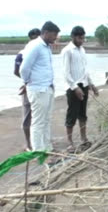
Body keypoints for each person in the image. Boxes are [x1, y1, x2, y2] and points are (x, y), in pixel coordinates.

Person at [20, 21, 60, 152]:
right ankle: (38, 151)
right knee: (38, 122)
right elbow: (24, 68)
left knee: (47, 120)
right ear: (46, 33)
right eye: (54, 35)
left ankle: (47, 148)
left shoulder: (46, 47)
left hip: (47, 88)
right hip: (38, 89)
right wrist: (27, 82)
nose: (56, 38)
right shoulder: (35, 46)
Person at [61, 26, 98, 153]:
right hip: (73, 87)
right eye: (79, 38)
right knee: (72, 114)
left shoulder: (82, 50)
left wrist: (92, 85)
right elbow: (66, 73)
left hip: (84, 85)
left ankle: (83, 138)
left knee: (83, 114)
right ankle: (70, 142)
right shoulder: (67, 51)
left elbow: (85, 70)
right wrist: (75, 87)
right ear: (73, 37)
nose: (82, 40)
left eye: (83, 38)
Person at [14, 28, 41, 151]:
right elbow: (16, 71)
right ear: (30, 39)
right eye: (35, 38)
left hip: (40, 87)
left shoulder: (42, 52)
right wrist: (27, 81)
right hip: (28, 87)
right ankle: (28, 143)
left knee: (40, 116)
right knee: (27, 116)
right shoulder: (22, 53)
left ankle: (38, 142)